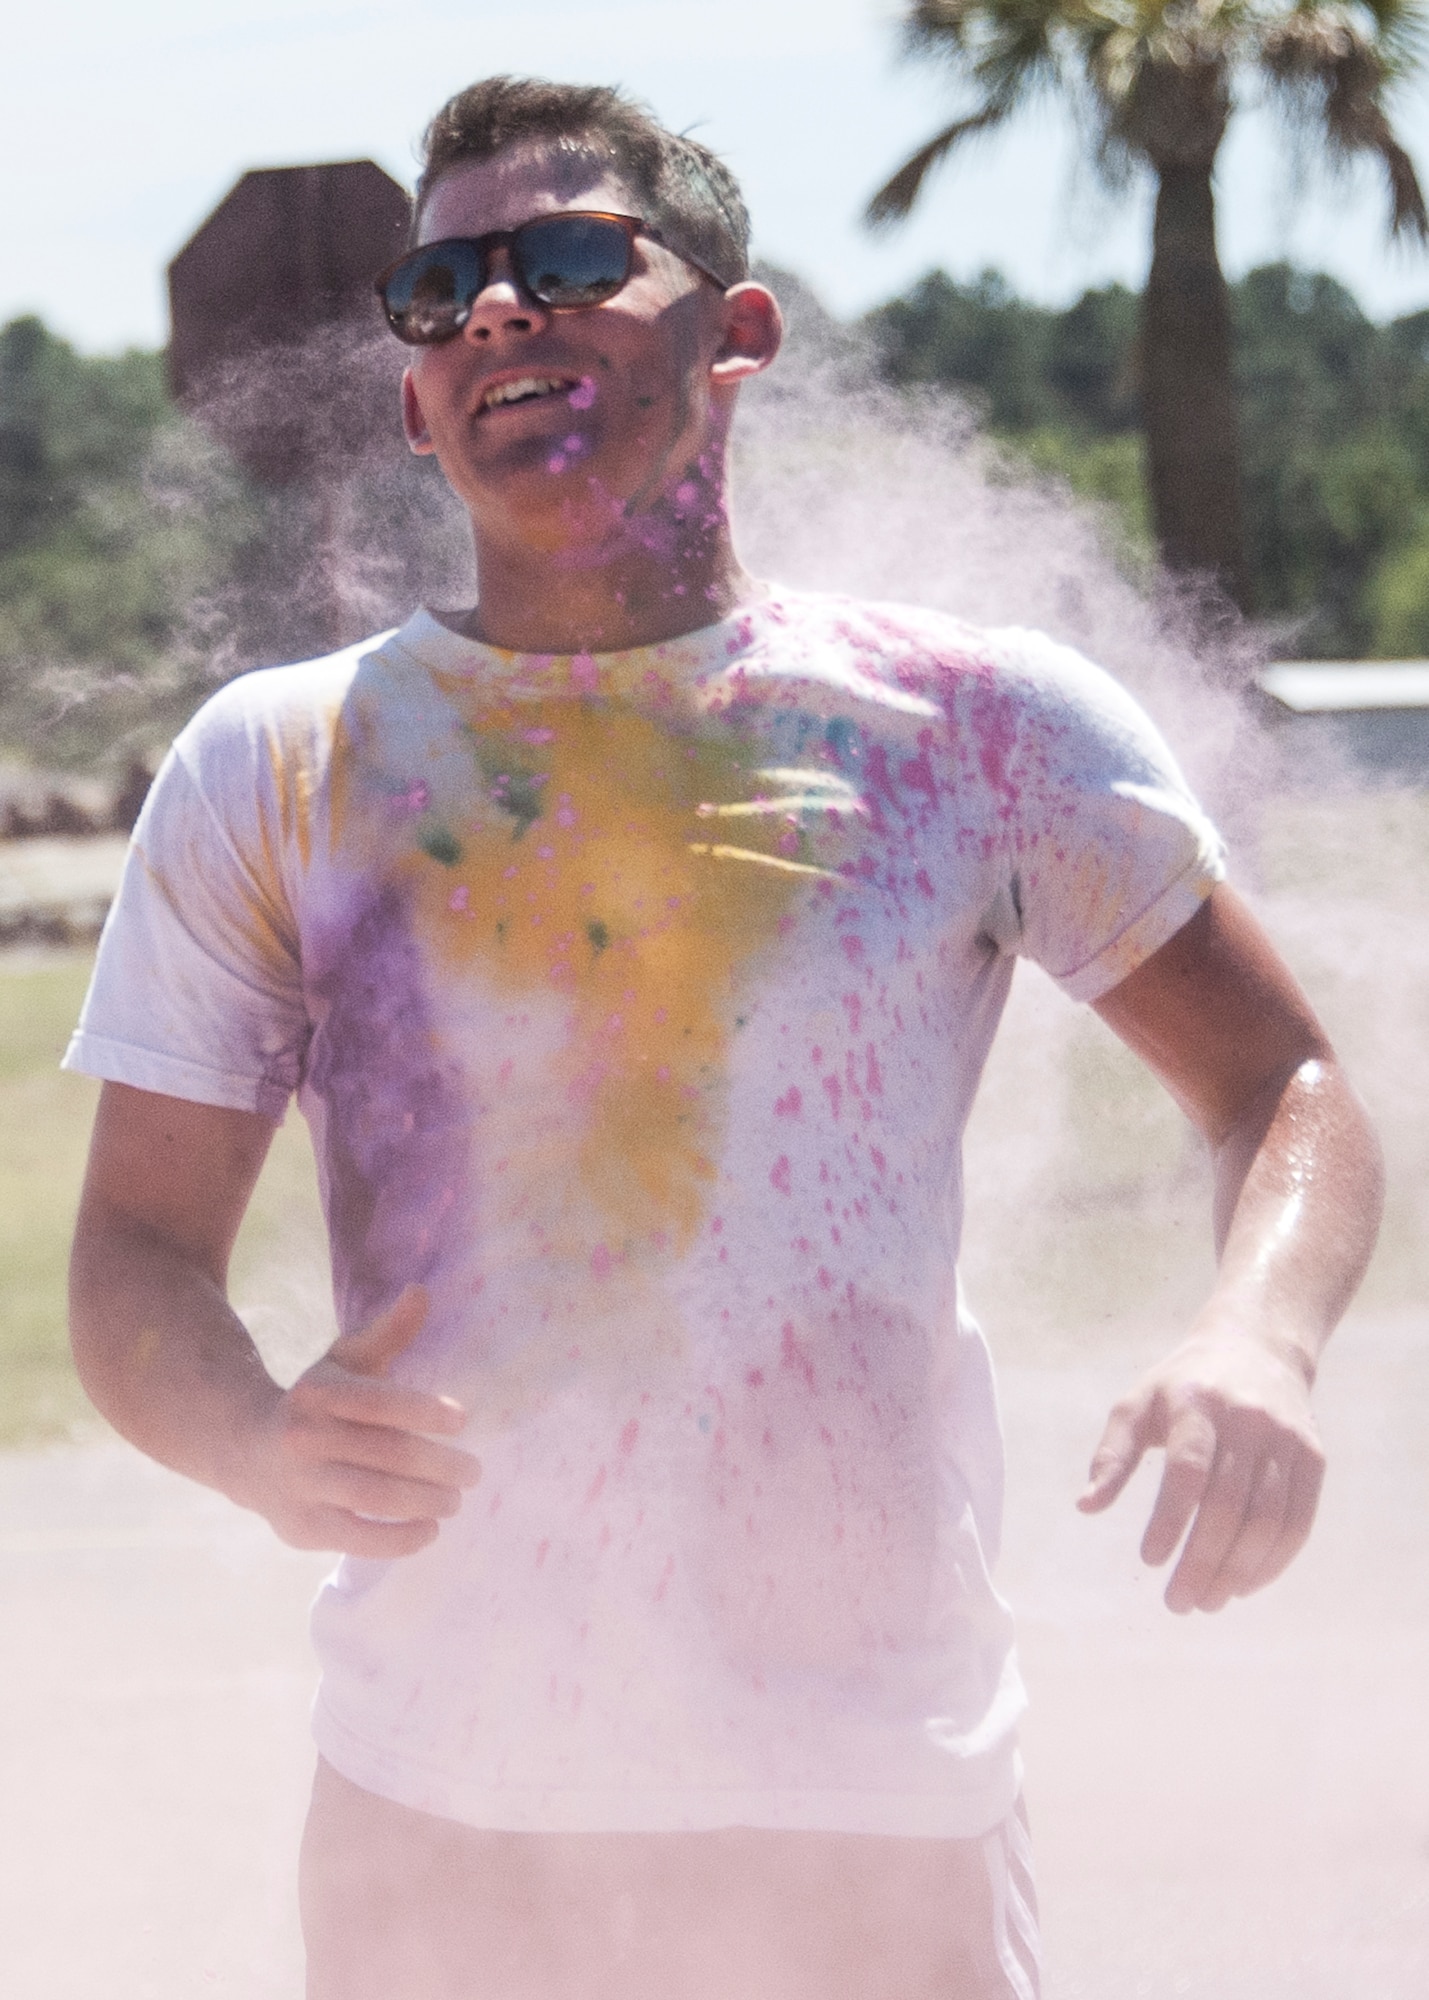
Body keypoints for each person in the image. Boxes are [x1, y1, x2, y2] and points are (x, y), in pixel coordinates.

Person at [66, 76, 1383, 2000]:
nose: (499, 310)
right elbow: (134, 1260)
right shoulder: (279, 762)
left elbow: (1287, 1091)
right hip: (439, 1805)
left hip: (869, 1803)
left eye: (572, 256)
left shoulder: (977, 724)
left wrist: (1254, 1332)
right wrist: (257, 1441)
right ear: (411, 398)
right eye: (442, 290)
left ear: (736, 329)